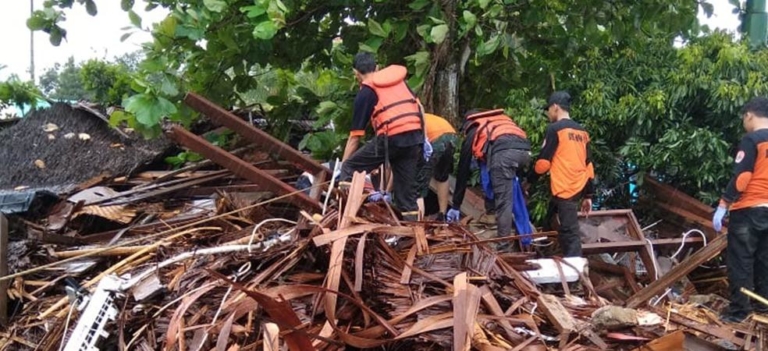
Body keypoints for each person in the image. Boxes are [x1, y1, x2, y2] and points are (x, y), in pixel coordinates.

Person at [339, 52, 424, 220]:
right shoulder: (400, 83)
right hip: (414, 139)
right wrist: (424, 139)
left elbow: (355, 137)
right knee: (407, 198)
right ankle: (413, 237)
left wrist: (343, 168)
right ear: (377, 68)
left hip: (391, 139)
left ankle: (344, 215)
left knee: (349, 167)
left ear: (356, 73)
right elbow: (419, 108)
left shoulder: (367, 91)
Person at [713, 96, 768, 323]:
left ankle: (739, 312)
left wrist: (724, 204)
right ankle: (763, 307)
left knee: (741, 260)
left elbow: (743, 176)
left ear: (749, 115)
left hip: (748, 209)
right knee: (765, 261)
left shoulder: (752, 139)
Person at [447, 108, 531, 243]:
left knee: (504, 201)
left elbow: (463, 170)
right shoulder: (499, 123)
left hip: (504, 154)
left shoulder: (475, 129)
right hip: (525, 152)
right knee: (513, 191)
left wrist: (456, 206)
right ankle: (522, 228)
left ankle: (504, 243)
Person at [531, 91, 594, 258]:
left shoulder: (555, 129)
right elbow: (589, 165)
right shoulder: (582, 132)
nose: (548, 113)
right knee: (550, 219)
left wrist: (529, 180)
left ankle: (575, 273)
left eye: (549, 110)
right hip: (579, 185)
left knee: (569, 231)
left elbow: (543, 163)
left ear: (555, 107)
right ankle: (542, 252)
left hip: (564, 187)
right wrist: (588, 194)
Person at [416, 113, 459, 220]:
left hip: (435, 139)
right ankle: (442, 215)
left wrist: (386, 191)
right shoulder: (420, 115)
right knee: (442, 176)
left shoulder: (407, 122)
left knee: (418, 185)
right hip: (451, 136)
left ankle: (417, 224)